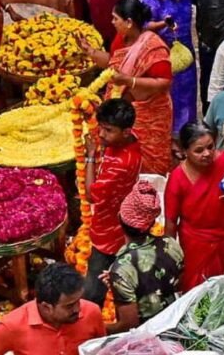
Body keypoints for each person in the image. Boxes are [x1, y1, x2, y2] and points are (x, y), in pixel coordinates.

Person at [80, 0, 173, 175]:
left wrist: (129, 81)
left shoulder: (153, 47)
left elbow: (164, 82)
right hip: (121, 110)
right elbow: (113, 63)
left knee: (148, 161)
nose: (112, 22)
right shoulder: (121, 39)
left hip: (148, 113)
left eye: (115, 18)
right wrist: (89, 51)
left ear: (129, 22)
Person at [164, 121, 224, 292]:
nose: (207, 153)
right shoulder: (177, 179)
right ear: (184, 152)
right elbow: (170, 223)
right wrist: (171, 257)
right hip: (194, 246)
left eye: (210, 147)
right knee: (197, 293)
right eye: (199, 150)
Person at [82, 99, 142, 307]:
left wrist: (90, 156)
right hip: (120, 219)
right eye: (101, 128)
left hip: (109, 232)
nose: (101, 135)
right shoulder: (130, 140)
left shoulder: (119, 165)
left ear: (125, 132)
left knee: (93, 288)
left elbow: (90, 194)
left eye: (108, 130)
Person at [105, 181, 184, 334]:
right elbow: (176, 283)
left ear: (120, 218)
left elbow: (128, 325)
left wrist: (96, 329)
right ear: (152, 223)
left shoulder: (122, 269)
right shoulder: (171, 244)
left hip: (146, 340)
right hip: (173, 326)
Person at [0, 263, 105, 355]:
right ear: (46, 306)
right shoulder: (12, 325)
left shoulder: (92, 312)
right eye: (69, 306)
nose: (78, 308)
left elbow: (102, 350)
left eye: (78, 300)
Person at [142, 0, 197, 139]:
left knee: (188, 97)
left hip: (186, 53)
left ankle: (185, 137)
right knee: (168, 98)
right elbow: (143, 25)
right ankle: (169, 139)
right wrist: (163, 23)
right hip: (163, 55)